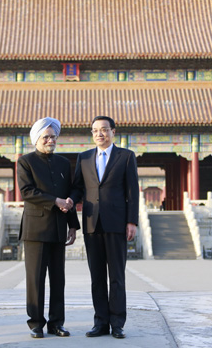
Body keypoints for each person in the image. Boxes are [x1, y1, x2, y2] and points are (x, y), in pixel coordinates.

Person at [69, 115, 139, 339]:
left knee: (117, 276)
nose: (100, 134)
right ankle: (100, 322)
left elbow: (132, 191)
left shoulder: (126, 157)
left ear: (113, 132)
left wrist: (132, 221)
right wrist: (70, 201)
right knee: (97, 276)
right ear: (92, 134)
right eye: (96, 130)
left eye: (104, 129)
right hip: (91, 223)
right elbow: (78, 188)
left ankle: (117, 323)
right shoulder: (84, 157)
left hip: (117, 223)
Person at [17, 117, 80, 338]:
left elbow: (70, 192)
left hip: (58, 228)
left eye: (53, 136)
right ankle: (36, 323)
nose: (50, 140)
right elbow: (27, 191)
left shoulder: (63, 163)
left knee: (58, 278)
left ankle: (56, 323)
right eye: (46, 137)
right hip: (35, 229)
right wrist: (55, 201)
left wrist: (73, 225)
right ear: (36, 139)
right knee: (35, 279)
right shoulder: (25, 162)